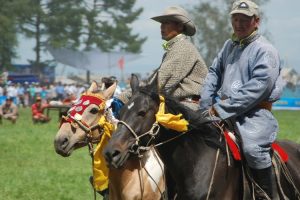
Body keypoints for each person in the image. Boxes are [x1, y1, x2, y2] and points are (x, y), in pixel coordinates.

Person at [199, 0, 283, 199]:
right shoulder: (229, 45)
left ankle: (265, 194)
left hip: (253, 114)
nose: (239, 23)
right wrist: (205, 105)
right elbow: (213, 73)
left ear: (256, 21)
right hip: (221, 110)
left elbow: (259, 88)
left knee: (253, 150)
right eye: (235, 19)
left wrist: (219, 109)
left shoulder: (265, 50)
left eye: (244, 19)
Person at [117, 5, 208, 111]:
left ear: (180, 26)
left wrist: (122, 99)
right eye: (161, 23)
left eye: (166, 23)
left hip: (189, 107)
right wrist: (124, 97)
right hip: (178, 104)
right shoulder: (175, 47)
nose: (161, 27)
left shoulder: (182, 47)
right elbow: (153, 80)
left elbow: (159, 82)